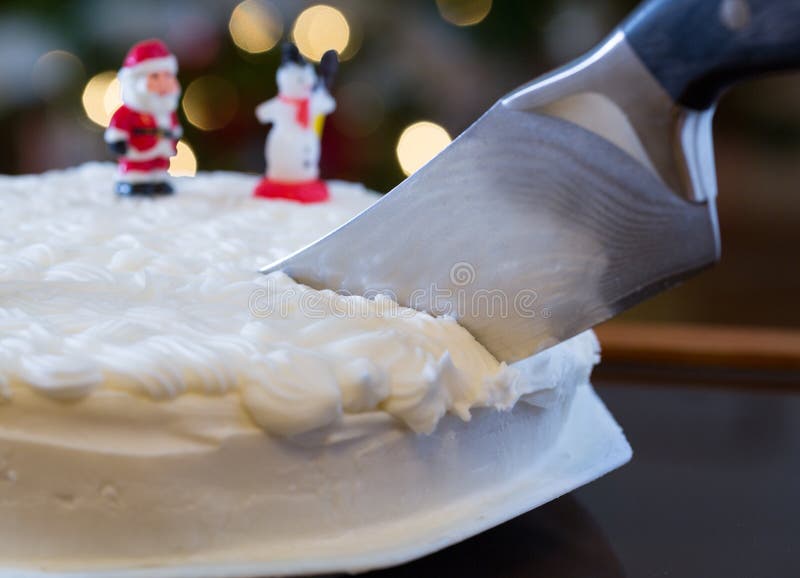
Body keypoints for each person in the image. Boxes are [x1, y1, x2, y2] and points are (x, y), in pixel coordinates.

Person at [104, 39, 182, 196]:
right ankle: (134, 182)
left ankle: (158, 180)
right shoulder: (128, 112)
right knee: (137, 166)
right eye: (155, 76)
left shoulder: (167, 110)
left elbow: (173, 126)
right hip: (138, 149)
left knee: (160, 164)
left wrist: (174, 136)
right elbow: (117, 128)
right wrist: (117, 140)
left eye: (167, 75)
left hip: (161, 149)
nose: (163, 83)